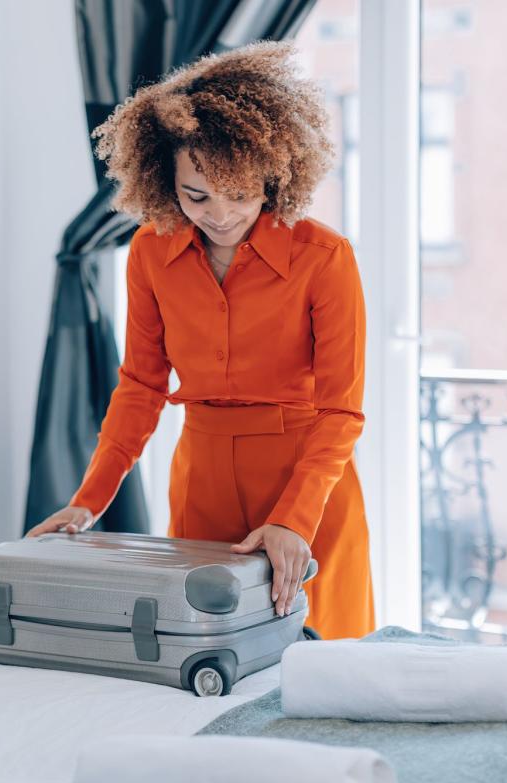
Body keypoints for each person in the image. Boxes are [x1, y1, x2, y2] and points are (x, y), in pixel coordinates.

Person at [26, 40, 374, 640]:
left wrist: (293, 520)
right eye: (196, 195)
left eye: (239, 194)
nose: (219, 215)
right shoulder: (150, 252)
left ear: (272, 174)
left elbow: (341, 410)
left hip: (308, 486)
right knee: (205, 657)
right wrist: (89, 499)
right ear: (167, 179)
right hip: (201, 485)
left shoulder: (325, 257)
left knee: (323, 667)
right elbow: (139, 387)